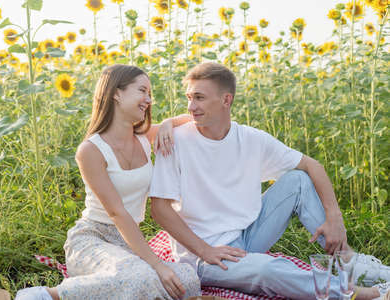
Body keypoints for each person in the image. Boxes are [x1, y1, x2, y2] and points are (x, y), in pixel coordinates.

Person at [149, 62, 389, 300]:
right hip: (203, 257)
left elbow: (311, 165)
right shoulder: (174, 141)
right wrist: (205, 250)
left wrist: (335, 218)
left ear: (226, 100)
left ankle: (349, 261)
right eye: (189, 97)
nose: (191, 106)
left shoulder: (252, 139)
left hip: (247, 237)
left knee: (297, 180)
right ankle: (362, 295)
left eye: (199, 98)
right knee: (269, 269)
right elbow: (159, 210)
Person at [15, 64, 201, 300]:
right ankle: (46, 296)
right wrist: (157, 264)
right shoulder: (91, 150)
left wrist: (167, 123)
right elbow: (117, 213)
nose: (148, 100)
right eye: (142, 91)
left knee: (187, 280)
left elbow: (189, 121)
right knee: (142, 276)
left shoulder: (144, 139)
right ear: (116, 93)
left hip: (127, 245)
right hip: (91, 240)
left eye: (150, 94)